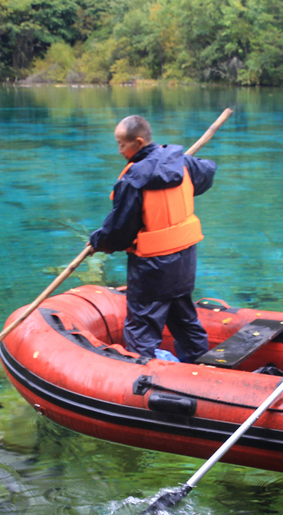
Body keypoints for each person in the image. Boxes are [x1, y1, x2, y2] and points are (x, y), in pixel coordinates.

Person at [89, 115, 217, 362]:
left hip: (152, 269)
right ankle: (202, 367)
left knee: (142, 327)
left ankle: (140, 378)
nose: (119, 151)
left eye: (122, 144)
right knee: (185, 321)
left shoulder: (134, 179)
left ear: (138, 142)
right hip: (184, 263)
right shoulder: (182, 163)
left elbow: (120, 230)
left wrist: (99, 241)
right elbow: (208, 170)